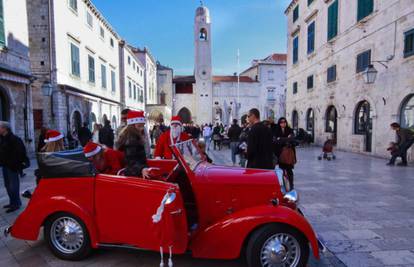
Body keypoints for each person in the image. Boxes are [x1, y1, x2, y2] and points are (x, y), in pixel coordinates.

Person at [117, 110, 156, 178]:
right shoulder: (131, 139)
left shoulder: (134, 136)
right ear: (132, 126)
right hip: (134, 173)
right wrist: (142, 169)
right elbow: (131, 161)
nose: (141, 129)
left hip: (135, 171)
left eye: (142, 126)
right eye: (139, 126)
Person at [0, 121, 28, 213]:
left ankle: (15, 204)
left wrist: (14, 164)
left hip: (12, 166)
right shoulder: (2, 139)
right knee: (7, 185)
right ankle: (13, 202)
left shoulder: (14, 139)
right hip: (4, 165)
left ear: (5, 128)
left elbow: (20, 153)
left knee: (13, 186)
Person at [273, 117, 297, 189]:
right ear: (279, 123)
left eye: (284, 122)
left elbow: (292, 139)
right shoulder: (276, 131)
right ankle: (284, 185)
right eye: (281, 122)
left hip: (289, 154)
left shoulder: (290, 130)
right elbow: (276, 141)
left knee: (289, 171)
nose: (283, 123)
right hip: (280, 154)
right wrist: (286, 139)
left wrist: (281, 139)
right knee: (281, 171)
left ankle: (291, 185)